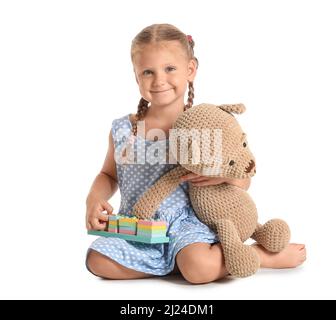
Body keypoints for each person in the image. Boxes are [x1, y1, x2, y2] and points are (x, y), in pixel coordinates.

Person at [85, 23, 306, 284]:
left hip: (189, 227)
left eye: (170, 69)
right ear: (136, 77)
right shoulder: (124, 129)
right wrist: (93, 200)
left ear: (190, 70)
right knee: (96, 261)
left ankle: (257, 256)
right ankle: (177, 265)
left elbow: (242, 176)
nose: (159, 80)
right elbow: (108, 174)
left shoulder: (207, 124)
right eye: (147, 72)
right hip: (140, 225)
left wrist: (223, 178)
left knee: (199, 266)